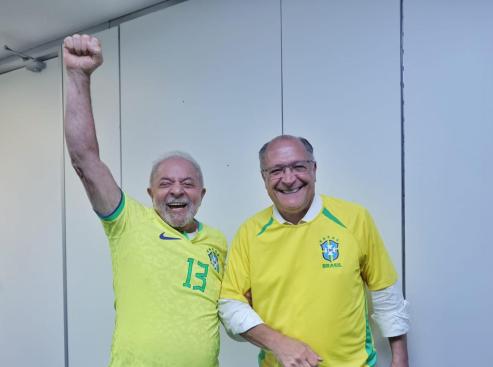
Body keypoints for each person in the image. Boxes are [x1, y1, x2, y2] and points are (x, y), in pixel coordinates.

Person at [63, 34, 227, 367]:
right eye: (165, 183)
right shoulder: (129, 223)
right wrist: (79, 76)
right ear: (150, 194)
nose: (177, 191)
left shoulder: (219, 243)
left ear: (202, 194)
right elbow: (85, 159)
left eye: (188, 183)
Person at [219, 135, 409, 367]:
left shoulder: (355, 219)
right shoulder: (249, 232)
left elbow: (385, 293)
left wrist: (400, 359)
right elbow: (230, 304)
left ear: (314, 169)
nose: (289, 179)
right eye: (276, 170)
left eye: (298, 166)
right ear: (264, 177)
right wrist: (278, 343)